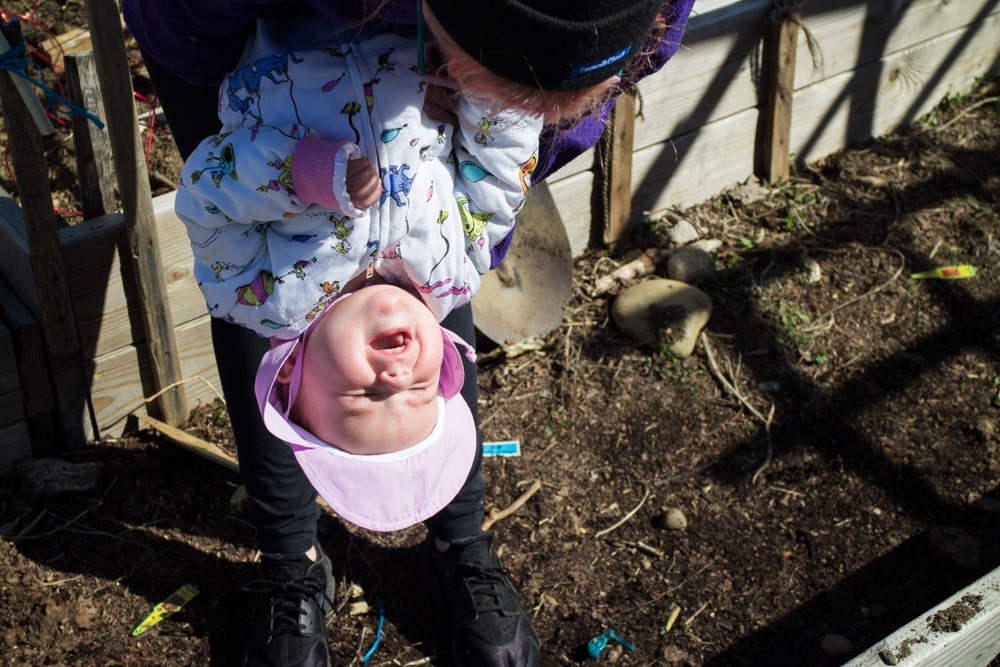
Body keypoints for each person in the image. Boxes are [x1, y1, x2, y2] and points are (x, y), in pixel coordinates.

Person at [121, 1, 696, 666]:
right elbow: (499, 174)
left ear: (290, 373)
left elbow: (207, 197)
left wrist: (303, 175)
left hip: (268, 39)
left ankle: (289, 557)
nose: (397, 376)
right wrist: (488, 91)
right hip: (413, 43)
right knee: (438, 302)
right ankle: (459, 538)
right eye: (423, 388)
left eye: (365, 398)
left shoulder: (265, 295)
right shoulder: (452, 271)